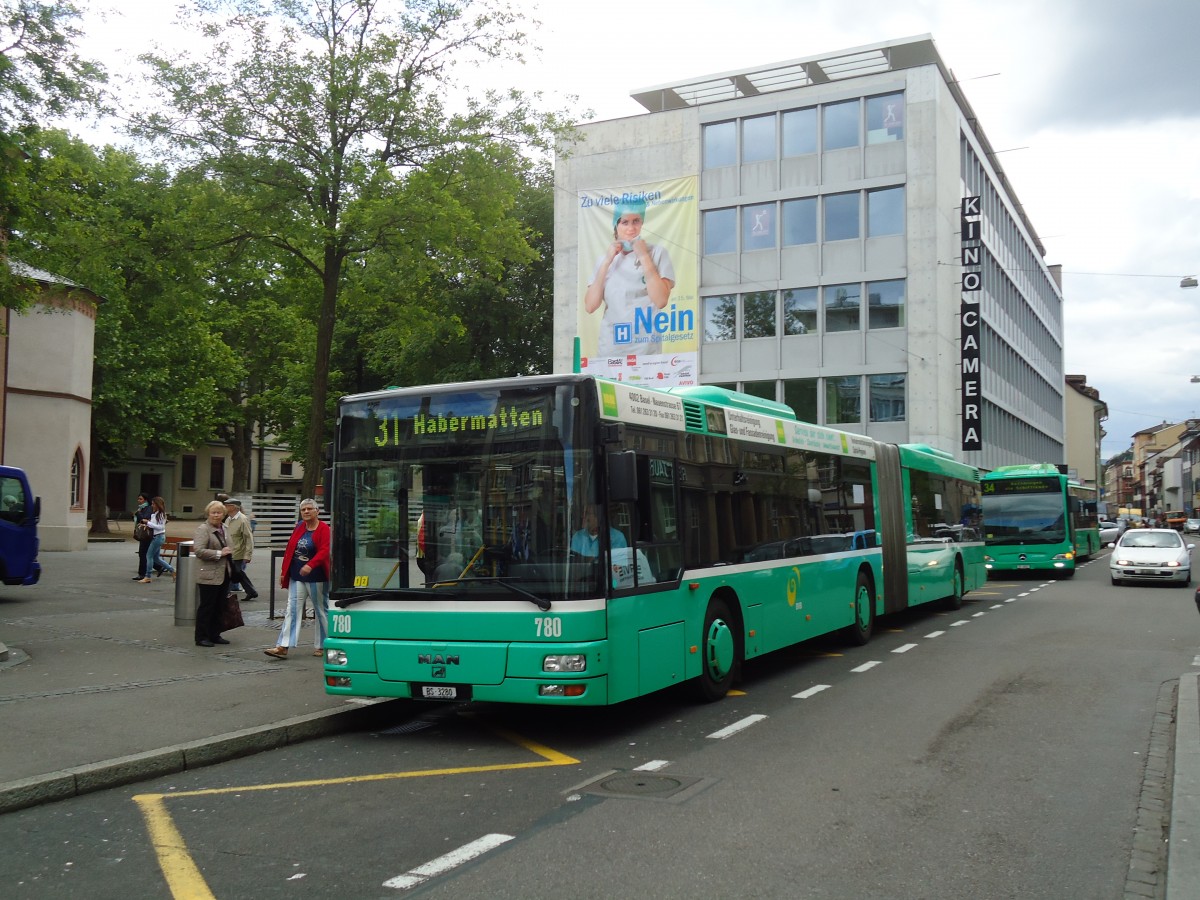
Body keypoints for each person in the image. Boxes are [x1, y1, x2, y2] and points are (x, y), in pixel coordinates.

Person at [583, 197, 676, 357]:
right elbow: (590, 306)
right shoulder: (604, 260)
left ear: (642, 223)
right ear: (616, 225)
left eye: (636, 221)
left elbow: (661, 300)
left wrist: (644, 256)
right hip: (610, 349)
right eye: (625, 222)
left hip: (646, 350)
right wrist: (607, 262)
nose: (631, 228)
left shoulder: (657, 253)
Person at [266, 498, 331, 660]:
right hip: (297, 575)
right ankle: (283, 646)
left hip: (317, 577)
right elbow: (290, 549)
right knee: (292, 609)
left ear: (317, 511)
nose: (306, 512)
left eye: (310, 509)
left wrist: (311, 564)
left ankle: (323, 645)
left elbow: (325, 550)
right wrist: (283, 571)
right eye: (303, 510)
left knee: (321, 610)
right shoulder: (300, 527)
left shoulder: (324, 529)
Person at [193, 499, 235, 647]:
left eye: (219, 512)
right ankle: (201, 637)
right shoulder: (203, 529)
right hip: (208, 574)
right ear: (208, 514)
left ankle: (215, 634)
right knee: (207, 606)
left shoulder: (224, 527)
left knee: (220, 606)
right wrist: (219, 553)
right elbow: (198, 550)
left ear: (224, 514)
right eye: (213, 512)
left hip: (224, 573)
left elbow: (230, 545)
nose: (216, 515)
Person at [223, 498, 258, 601]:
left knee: (232, 572)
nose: (224, 507)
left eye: (227, 505)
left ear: (233, 507)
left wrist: (248, 555)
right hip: (230, 551)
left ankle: (226, 594)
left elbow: (249, 538)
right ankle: (251, 592)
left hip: (238, 552)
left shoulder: (242, 520)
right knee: (238, 573)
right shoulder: (228, 519)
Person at [139, 496, 175, 583]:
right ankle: (172, 570)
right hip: (157, 536)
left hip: (159, 537)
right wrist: (146, 525)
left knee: (149, 556)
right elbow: (154, 525)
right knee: (156, 558)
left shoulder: (161, 514)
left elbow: (160, 527)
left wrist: (148, 522)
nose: (152, 505)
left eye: (153, 504)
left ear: (158, 504)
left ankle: (148, 576)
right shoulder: (155, 514)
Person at [132, 493, 154, 581]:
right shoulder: (141, 508)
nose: (139, 501)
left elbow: (145, 518)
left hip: (146, 534)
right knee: (147, 554)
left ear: (145, 500)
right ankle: (159, 567)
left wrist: (138, 514)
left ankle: (142, 574)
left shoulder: (147, 508)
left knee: (143, 553)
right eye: (138, 499)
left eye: (140, 499)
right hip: (143, 533)